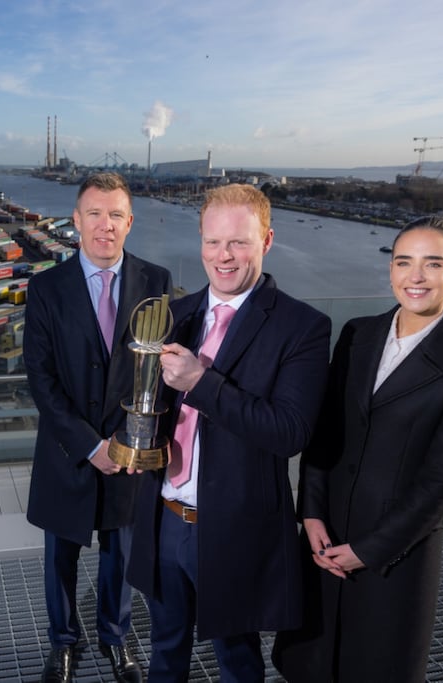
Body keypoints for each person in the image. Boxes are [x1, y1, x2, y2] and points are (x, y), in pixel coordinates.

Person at [271, 216, 443, 682]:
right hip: (324, 539)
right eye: (404, 262)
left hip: (393, 559)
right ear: (391, 268)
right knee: (306, 665)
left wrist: (371, 549)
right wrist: (312, 513)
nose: (415, 276)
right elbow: (326, 430)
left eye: (432, 264)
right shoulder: (358, 333)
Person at [127, 184, 332, 682]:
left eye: (239, 242)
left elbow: (289, 432)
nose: (224, 256)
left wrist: (202, 383)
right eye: (213, 241)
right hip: (163, 516)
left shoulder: (302, 327)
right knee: (164, 652)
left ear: (267, 240)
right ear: (199, 240)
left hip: (234, 528)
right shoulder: (176, 313)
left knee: (237, 663)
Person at [25, 172, 173, 683]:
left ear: (129, 222)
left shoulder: (157, 281)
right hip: (70, 451)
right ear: (76, 220)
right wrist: (91, 445)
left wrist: (131, 442)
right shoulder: (45, 287)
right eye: (94, 214)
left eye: (115, 215)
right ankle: (63, 644)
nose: (104, 226)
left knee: (121, 557)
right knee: (59, 559)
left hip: (129, 452)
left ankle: (115, 638)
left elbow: (159, 370)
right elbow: (40, 378)